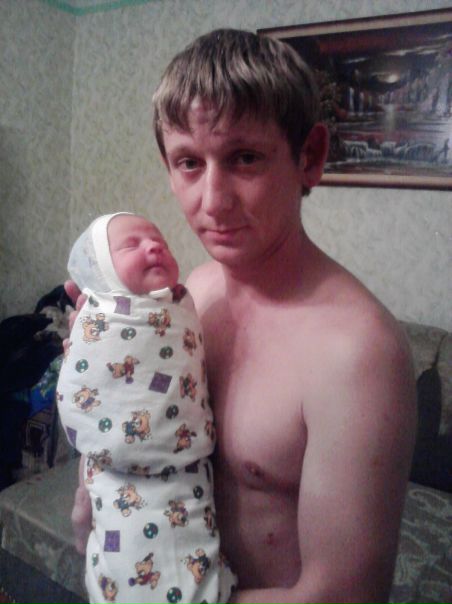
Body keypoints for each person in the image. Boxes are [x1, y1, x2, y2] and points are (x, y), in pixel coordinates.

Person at [67, 29, 416, 603]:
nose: (212, 201)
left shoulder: (357, 354)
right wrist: (99, 361)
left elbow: (343, 596)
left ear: (310, 156)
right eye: (188, 162)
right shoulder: (190, 298)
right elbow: (134, 442)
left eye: (244, 158)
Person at [58, 212, 237, 604]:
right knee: (122, 560)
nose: (154, 246)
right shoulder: (98, 315)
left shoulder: (181, 304)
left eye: (159, 241)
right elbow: (94, 406)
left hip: (182, 477)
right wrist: (91, 346)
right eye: (131, 244)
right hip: (117, 480)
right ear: (103, 270)